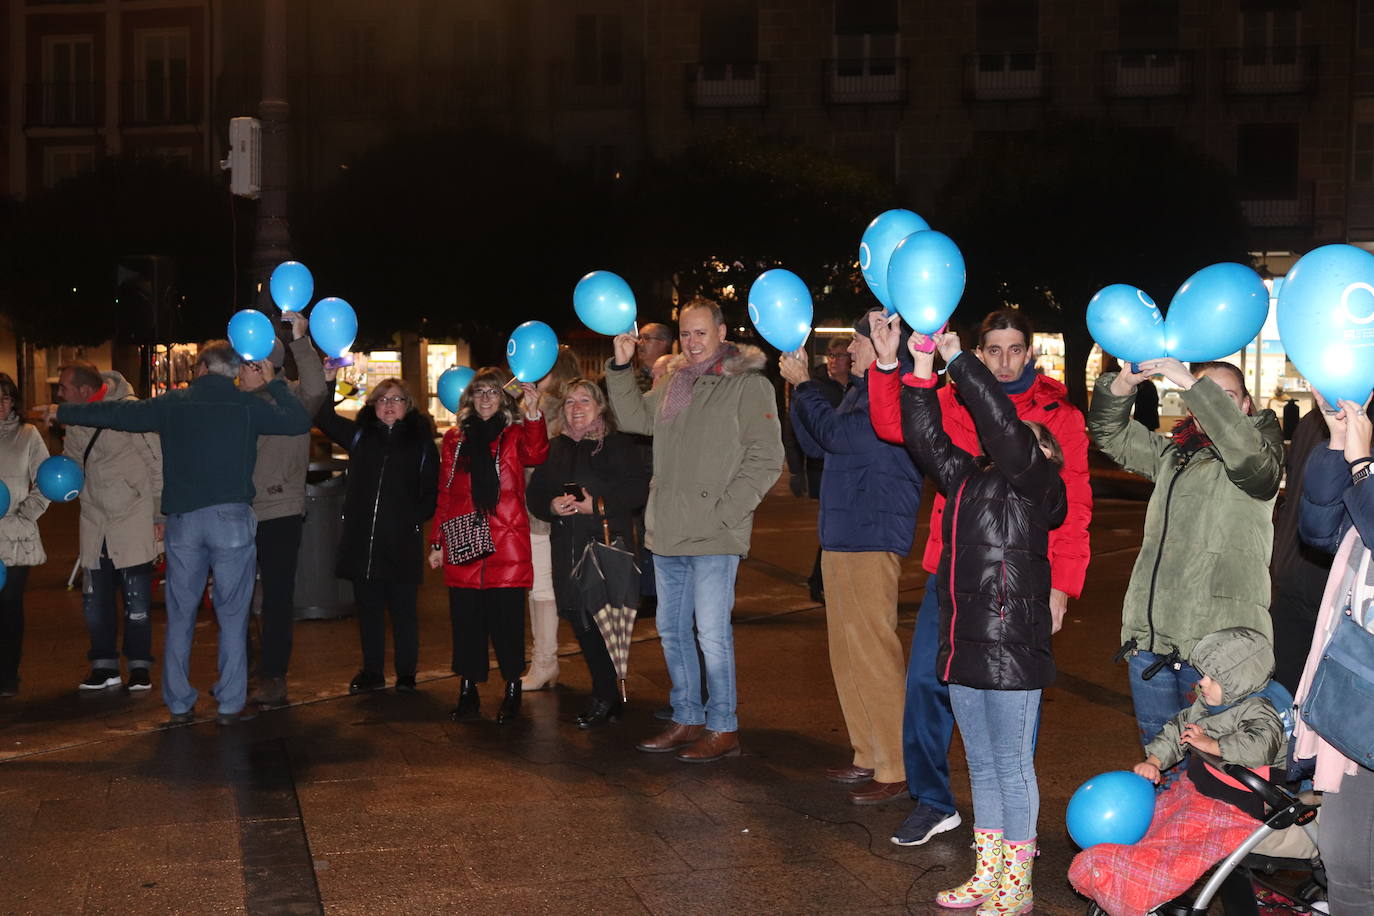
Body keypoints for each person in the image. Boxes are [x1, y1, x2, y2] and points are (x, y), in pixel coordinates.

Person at [868, 309, 1093, 847]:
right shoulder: (968, 450)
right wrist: (908, 367)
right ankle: (951, 819)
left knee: (1010, 733)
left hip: (1017, 599)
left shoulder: (1048, 450)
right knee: (942, 698)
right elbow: (915, 434)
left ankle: (1016, 853)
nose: (1005, 359)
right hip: (958, 585)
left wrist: (1061, 586)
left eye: (1016, 349)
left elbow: (1022, 450)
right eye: (993, 350)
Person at [56, 341, 311, 726]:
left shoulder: (175, 403)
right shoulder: (248, 404)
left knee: (180, 614)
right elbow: (297, 421)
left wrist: (65, 410)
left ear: (204, 368)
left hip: (185, 522)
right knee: (233, 613)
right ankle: (229, 700)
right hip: (231, 519)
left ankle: (178, 701)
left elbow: (120, 414)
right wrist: (272, 382)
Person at [899, 329, 1066, 913]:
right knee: (982, 764)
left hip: (1013, 647)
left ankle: (1015, 885)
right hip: (963, 643)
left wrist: (957, 359)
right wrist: (921, 367)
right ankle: (988, 871)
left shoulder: (1040, 485)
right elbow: (923, 437)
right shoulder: (969, 478)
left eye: (1032, 439)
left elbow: (1002, 425)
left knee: (1013, 766)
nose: (1021, 441)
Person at [606, 298, 783, 763]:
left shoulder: (747, 385)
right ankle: (688, 717)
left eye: (701, 332)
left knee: (711, 634)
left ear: (722, 333)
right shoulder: (673, 380)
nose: (693, 341)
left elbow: (766, 457)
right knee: (671, 630)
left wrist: (728, 513)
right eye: (686, 333)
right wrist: (622, 369)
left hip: (713, 532)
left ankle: (724, 726)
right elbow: (631, 419)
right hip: (667, 529)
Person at [1088, 358, 1282, 752]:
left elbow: (1248, 458)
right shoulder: (1173, 455)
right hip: (1153, 644)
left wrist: (1190, 382)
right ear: (1192, 409)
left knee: (1214, 775)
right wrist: (1125, 382)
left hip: (1222, 654)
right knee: (1158, 759)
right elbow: (1110, 433)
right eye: (1207, 398)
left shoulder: (1261, 458)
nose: (1218, 408)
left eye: (1227, 398)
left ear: (1246, 406)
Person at [779, 310, 922, 805]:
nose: (848, 352)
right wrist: (801, 393)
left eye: (855, 343)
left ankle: (897, 764)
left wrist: (805, 387)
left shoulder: (898, 388)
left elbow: (843, 438)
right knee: (846, 651)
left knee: (873, 651)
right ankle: (868, 751)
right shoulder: (860, 392)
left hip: (870, 532)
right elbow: (820, 444)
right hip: (845, 531)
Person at [1069, 627, 1286, 916]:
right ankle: (1117, 872)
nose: (1202, 682)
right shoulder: (1208, 705)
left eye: (1211, 677)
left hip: (1234, 810)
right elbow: (1177, 729)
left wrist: (1211, 744)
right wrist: (1155, 760)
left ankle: (1139, 887)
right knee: (1155, 829)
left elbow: (1261, 744)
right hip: (1196, 792)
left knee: (1179, 850)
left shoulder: (1260, 711)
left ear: (1236, 680)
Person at [526, 379, 649, 726]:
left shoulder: (616, 445)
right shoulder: (556, 447)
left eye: (584, 400)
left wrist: (596, 505)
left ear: (600, 407)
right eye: (569, 402)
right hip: (567, 551)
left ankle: (605, 697)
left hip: (605, 549)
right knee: (582, 624)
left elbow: (637, 489)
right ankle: (607, 693)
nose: (576, 408)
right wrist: (551, 504)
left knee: (603, 624)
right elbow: (536, 495)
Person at [430, 368, 547, 724]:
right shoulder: (455, 439)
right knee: (466, 622)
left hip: (506, 543)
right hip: (465, 537)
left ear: (503, 398)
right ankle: (468, 690)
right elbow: (446, 492)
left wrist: (534, 413)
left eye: (492, 391)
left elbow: (537, 453)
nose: (485, 398)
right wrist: (437, 541)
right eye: (479, 391)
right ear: (469, 398)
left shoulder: (514, 436)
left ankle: (512, 689)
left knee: (507, 623)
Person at [1294, 393, 1374, 915]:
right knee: (1346, 861)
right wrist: (1338, 443)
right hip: (1357, 684)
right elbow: (1318, 530)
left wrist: (1364, 466)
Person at [315, 374, 438, 695]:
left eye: (396, 399)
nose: (388, 406)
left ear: (407, 406)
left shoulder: (421, 443)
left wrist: (413, 517)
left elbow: (431, 491)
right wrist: (329, 383)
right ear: (373, 406)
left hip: (401, 543)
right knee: (368, 611)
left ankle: (407, 673)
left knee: (403, 612)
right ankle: (372, 671)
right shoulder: (360, 437)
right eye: (382, 399)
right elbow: (324, 417)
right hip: (364, 542)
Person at [57, 362, 162, 693]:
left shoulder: (132, 412)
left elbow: (157, 461)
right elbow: (72, 462)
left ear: (85, 391)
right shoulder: (74, 417)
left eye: (64, 388)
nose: (59, 393)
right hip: (94, 519)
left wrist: (160, 515)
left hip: (132, 515)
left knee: (137, 602)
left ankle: (139, 666)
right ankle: (103, 666)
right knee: (94, 601)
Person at [239, 313, 327, 707]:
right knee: (234, 596)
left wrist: (300, 342)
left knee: (275, 598)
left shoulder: (291, 397)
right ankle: (238, 669)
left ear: (268, 366)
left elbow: (316, 387)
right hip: (234, 511)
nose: (243, 371)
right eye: (242, 364)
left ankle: (273, 675)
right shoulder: (233, 401)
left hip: (279, 510)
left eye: (251, 364)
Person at [522, 345, 581, 692]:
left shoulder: (560, 409)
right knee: (535, 586)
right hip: (529, 508)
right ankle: (543, 661)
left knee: (542, 587)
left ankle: (544, 662)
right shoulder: (535, 404)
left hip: (545, 511)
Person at [0, 373, 50, 698]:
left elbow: (46, 480)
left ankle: (7, 675)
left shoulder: (28, 434)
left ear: (13, 402)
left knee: (8, 606)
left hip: (16, 537)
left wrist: (26, 514)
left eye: (4, 398)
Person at [634, 323, 673, 392]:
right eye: (639, 338)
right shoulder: (631, 379)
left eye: (646, 338)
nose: (639, 343)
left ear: (663, 343)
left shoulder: (676, 376)